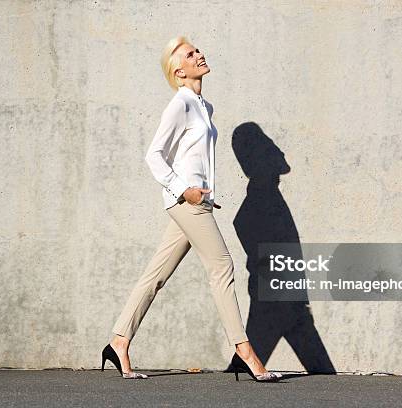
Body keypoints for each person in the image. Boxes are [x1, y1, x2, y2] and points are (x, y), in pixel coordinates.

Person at [101, 36, 281, 382]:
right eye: (190, 54)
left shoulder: (204, 106)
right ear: (178, 70)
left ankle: (119, 340)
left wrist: (203, 193)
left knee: (155, 275)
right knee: (222, 266)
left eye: (198, 50)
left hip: (197, 201)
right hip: (186, 202)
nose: (199, 55)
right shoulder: (181, 103)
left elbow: (192, 157)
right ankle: (244, 350)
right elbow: (154, 154)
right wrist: (184, 189)